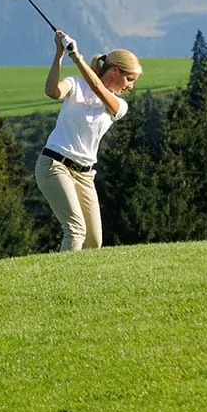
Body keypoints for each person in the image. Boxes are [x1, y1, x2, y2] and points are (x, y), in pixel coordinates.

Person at [35, 29, 142, 251]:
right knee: (75, 231)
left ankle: (78, 284)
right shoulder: (75, 84)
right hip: (54, 165)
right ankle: (62, 285)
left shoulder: (119, 105)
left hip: (85, 175)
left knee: (93, 242)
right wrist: (60, 55)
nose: (131, 86)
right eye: (129, 79)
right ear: (114, 70)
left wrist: (77, 57)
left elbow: (97, 87)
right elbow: (52, 92)